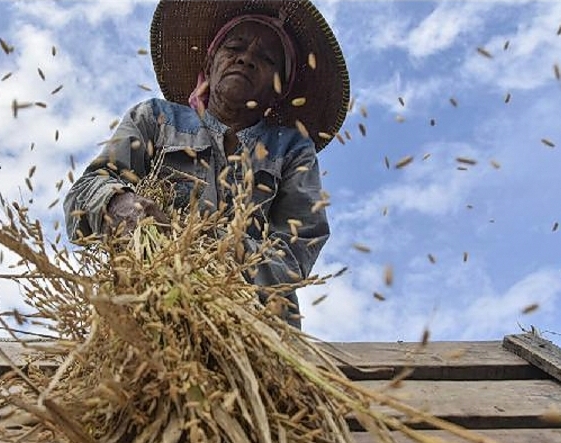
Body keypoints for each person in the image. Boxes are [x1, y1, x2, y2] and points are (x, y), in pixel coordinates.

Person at [64, 0, 349, 329]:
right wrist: (119, 204)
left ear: (278, 90)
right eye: (235, 47)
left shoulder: (291, 150)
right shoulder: (156, 119)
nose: (245, 58)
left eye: (267, 58)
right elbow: (83, 193)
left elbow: (295, 254)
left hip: (255, 330)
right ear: (210, 61)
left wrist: (194, 246)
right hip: (145, 315)